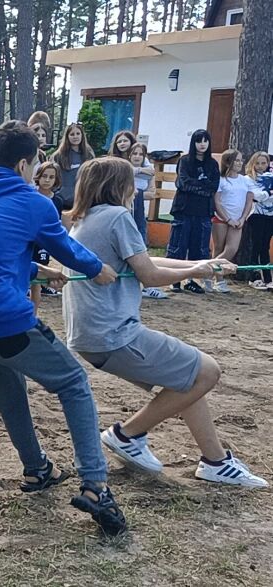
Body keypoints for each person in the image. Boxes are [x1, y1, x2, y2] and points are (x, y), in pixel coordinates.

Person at [0, 120, 127, 537]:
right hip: (1, 320)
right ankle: (95, 485)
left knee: (12, 396)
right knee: (73, 382)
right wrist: (98, 269)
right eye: (36, 164)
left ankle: (37, 469)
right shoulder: (33, 202)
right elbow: (69, 249)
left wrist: (36, 270)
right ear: (24, 164)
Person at [62, 157, 268, 488]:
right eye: (131, 183)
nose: (136, 189)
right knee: (208, 371)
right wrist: (196, 271)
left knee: (187, 378)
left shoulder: (87, 219)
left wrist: (204, 262)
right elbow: (150, 275)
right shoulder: (117, 217)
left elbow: (146, 261)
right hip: (115, 335)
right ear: (118, 186)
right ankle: (127, 434)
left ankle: (215, 461)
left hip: (91, 337)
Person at [167, 129, 219, 295]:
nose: (202, 144)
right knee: (178, 246)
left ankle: (193, 280)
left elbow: (213, 187)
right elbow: (183, 183)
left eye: (205, 141)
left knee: (200, 248)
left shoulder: (213, 164)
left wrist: (196, 185)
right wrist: (202, 186)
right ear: (193, 143)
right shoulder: (184, 161)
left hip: (204, 212)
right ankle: (173, 279)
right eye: (198, 141)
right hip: (184, 209)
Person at [208, 149, 254, 293]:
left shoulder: (245, 180)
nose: (240, 163)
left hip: (238, 220)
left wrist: (242, 218)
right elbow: (217, 201)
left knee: (231, 249)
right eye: (237, 160)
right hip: (221, 218)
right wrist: (227, 218)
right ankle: (218, 280)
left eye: (241, 160)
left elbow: (249, 201)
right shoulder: (221, 180)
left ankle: (209, 271)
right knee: (218, 248)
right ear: (228, 162)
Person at [127, 143, 167, 299]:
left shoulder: (149, 172)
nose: (137, 156)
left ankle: (149, 286)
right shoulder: (125, 169)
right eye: (134, 153)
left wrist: (135, 193)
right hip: (125, 212)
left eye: (140, 154)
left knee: (141, 246)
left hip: (139, 213)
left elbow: (151, 194)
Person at [30, 161, 65, 306]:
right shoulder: (30, 195)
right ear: (38, 176)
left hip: (44, 243)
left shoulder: (58, 201)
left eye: (51, 177)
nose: (47, 180)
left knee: (37, 281)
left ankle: (34, 312)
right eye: (44, 176)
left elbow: (57, 224)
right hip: (30, 239)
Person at [243, 152, 273, 289]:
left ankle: (267, 277)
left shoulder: (270, 177)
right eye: (258, 163)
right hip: (255, 215)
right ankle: (253, 277)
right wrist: (269, 193)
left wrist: (264, 195)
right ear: (252, 163)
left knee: (265, 246)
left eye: (263, 163)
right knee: (256, 245)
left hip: (270, 215)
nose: (261, 166)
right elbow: (256, 196)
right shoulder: (248, 179)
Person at [52, 123, 95, 210]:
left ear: (82, 135)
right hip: (62, 201)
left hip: (82, 200)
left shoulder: (89, 154)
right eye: (72, 134)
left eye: (78, 133)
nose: (75, 136)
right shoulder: (58, 155)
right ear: (67, 136)